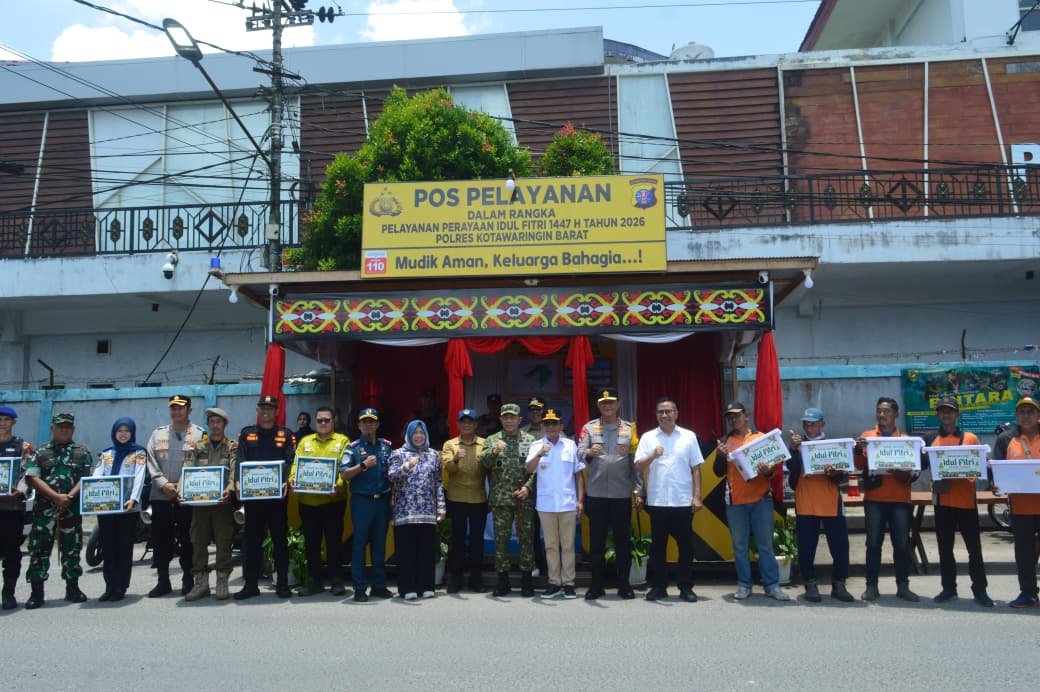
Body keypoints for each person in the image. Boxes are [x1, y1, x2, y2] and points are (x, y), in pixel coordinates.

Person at [715, 401, 789, 601]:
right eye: (730, 417)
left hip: (761, 500)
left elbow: (773, 471)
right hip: (735, 502)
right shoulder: (724, 441)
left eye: (737, 415)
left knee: (765, 545)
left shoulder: (761, 438)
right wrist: (721, 457)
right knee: (740, 547)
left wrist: (768, 471)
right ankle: (744, 585)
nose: (734, 419)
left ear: (746, 416)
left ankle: (772, 585)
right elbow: (717, 472)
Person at [854, 396, 924, 602]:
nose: (882, 415)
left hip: (900, 500)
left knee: (902, 544)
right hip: (875, 499)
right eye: (879, 411)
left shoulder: (905, 441)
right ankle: (871, 586)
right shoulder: (867, 437)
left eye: (886, 411)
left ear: (896, 414)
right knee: (873, 543)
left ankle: (903, 585)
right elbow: (858, 465)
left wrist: (903, 473)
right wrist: (858, 449)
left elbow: (914, 472)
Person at [576, 387, 643, 600]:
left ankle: (624, 585)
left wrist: (639, 490)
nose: (607, 406)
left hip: (621, 495)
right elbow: (578, 454)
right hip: (596, 495)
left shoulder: (630, 429)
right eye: (603, 403)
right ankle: (597, 585)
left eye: (611, 403)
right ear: (599, 406)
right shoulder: (589, 428)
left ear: (618, 405)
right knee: (596, 542)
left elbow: (636, 463)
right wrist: (588, 452)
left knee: (623, 542)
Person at [637, 397, 704, 602]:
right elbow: (638, 466)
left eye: (669, 411)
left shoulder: (688, 436)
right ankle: (659, 587)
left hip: (682, 500)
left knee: (686, 547)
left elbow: (696, 468)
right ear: (656, 414)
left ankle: (686, 587)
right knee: (658, 547)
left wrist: (697, 496)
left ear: (676, 413)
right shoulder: (648, 437)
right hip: (657, 501)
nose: (664, 415)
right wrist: (652, 456)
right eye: (660, 412)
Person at [23, 412, 93, 609]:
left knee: (72, 548)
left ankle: (73, 588)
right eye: (60, 426)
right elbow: (32, 477)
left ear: (73, 429)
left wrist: (68, 497)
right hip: (45, 511)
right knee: (39, 550)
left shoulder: (82, 452)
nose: (64, 430)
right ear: (52, 428)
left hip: (71, 509)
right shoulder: (41, 452)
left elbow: (85, 479)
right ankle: (37, 592)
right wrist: (56, 497)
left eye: (67, 427)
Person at [927, 397, 992, 606]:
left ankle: (980, 590)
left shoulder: (970, 438)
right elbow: (918, 464)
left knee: (974, 549)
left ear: (957, 414)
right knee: (945, 549)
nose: (946, 415)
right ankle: (948, 588)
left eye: (950, 411)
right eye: (942, 411)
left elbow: (980, 466)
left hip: (966, 502)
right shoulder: (931, 439)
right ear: (938, 415)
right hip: (942, 501)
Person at [786, 407, 853, 602]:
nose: (810, 427)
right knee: (806, 547)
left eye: (813, 423)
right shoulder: (798, 445)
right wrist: (793, 450)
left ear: (822, 424)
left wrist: (834, 473)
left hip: (830, 502)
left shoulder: (833, 446)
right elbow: (791, 474)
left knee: (840, 546)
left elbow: (844, 477)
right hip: (806, 502)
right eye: (806, 424)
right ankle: (810, 584)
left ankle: (839, 583)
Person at [234, 395, 296, 600]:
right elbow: (240, 459)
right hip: (253, 500)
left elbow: (290, 460)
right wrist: (237, 481)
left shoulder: (285, 435)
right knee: (252, 542)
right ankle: (251, 585)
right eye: (262, 408)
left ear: (277, 411)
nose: (266, 411)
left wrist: (286, 479)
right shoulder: (247, 433)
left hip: (277, 499)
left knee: (279, 542)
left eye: (270, 408)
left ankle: (283, 585)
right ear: (258, 411)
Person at [145, 394, 205, 597]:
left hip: (186, 498)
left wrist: (183, 487)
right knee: (161, 540)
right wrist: (164, 485)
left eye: (180, 408)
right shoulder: (157, 435)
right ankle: (163, 581)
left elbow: (203, 465)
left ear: (189, 410)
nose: (176, 411)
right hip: (161, 496)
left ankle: (188, 579)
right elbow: (151, 463)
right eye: (173, 408)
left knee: (188, 540)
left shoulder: (199, 435)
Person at [290, 406, 350, 597]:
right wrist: (293, 477)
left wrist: (339, 485)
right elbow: (295, 464)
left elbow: (346, 467)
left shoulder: (343, 441)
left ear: (334, 421)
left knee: (334, 542)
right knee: (311, 543)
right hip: (308, 502)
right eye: (319, 420)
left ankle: (336, 580)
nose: (322, 423)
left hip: (333, 502)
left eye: (326, 420)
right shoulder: (305, 441)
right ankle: (314, 581)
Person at [526, 409, 585, 599]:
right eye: (547, 424)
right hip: (546, 504)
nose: (551, 427)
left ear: (561, 426)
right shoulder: (536, 445)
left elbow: (578, 475)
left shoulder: (570, 446)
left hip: (568, 503)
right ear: (542, 427)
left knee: (567, 545)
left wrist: (580, 500)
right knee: (551, 545)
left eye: (555, 424)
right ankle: (554, 582)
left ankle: (568, 583)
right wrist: (539, 454)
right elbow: (529, 468)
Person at [479, 402, 536, 597]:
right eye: (506, 417)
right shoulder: (492, 440)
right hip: (501, 500)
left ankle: (527, 581)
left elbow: (536, 468)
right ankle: (503, 582)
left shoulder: (530, 440)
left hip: (524, 500)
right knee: (501, 541)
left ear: (520, 420)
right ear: (501, 419)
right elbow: (483, 463)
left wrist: (528, 487)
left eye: (513, 417)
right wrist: (495, 451)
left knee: (526, 540)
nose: (509, 420)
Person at [181, 407, 237, 601]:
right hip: (200, 506)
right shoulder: (197, 447)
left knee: (223, 542)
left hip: (222, 504)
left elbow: (233, 471)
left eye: (218, 422)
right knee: (198, 542)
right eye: (212, 422)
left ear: (224, 424)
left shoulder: (231, 447)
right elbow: (187, 471)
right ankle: (201, 583)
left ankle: (222, 582)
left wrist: (229, 489)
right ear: (208, 424)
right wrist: (183, 491)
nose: (215, 425)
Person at [388, 420, 446, 600]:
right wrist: (407, 465)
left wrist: (441, 507)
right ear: (409, 435)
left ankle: (426, 586)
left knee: (426, 550)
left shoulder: (433, 455)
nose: (418, 436)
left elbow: (438, 482)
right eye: (415, 433)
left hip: (427, 512)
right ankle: (407, 588)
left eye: (421, 433)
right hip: (405, 512)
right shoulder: (398, 454)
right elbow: (391, 476)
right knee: (407, 552)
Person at [342, 408, 394, 602]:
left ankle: (379, 586)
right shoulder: (353, 448)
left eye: (371, 422)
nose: (368, 425)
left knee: (379, 545)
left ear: (377, 424)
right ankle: (359, 588)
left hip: (381, 500)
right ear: (359, 425)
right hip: (362, 501)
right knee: (360, 544)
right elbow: (344, 474)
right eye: (364, 422)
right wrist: (363, 465)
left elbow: (392, 474)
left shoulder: (386, 447)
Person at [93, 417, 148, 602]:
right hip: (106, 507)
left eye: (127, 430)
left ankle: (121, 586)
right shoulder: (106, 453)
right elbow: (96, 475)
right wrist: (92, 495)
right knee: (108, 547)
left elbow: (140, 477)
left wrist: (134, 498)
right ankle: (109, 586)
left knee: (123, 547)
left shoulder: (138, 452)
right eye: (119, 430)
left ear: (132, 432)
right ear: (114, 433)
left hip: (127, 508)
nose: (123, 434)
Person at [993, 396, 1040, 608]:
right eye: (1022, 412)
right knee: (1023, 552)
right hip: (1020, 507)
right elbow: (996, 470)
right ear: (1017, 416)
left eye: (1031, 412)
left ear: (1038, 416)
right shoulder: (1005, 439)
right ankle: (1028, 593)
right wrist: (995, 485)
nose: (1026, 416)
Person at [440, 408, 487, 593]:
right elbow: (448, 470)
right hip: (456, 499)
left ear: (476, 424)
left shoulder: (484, 444)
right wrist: (456, 459)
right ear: (458, 424)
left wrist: (490, 498)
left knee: (477, 541)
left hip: (478, 499)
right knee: (457, 541)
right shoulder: (450, 444)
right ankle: (455, 580)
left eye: (471, 422)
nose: (467, 424)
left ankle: (476, 580)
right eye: (463, 421)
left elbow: (490, 471)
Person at [0, 405, 32, 610]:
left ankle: (8, 592)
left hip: (11, 507)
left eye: (6, 419)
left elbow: (29, 472)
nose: (2, 423)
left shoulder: (23, 447)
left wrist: (19, 490)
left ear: (13, 422)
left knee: (12, 551)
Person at [521, 396, 550, 578]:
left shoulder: (553, 431)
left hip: (549, 488)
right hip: (530, 489)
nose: (535, 413)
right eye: (532, 410)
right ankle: (535, 563)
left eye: (538, 409)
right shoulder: (522, 432)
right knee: (531, 530)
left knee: (550, 530)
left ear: (543, 411)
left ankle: (551, 565)